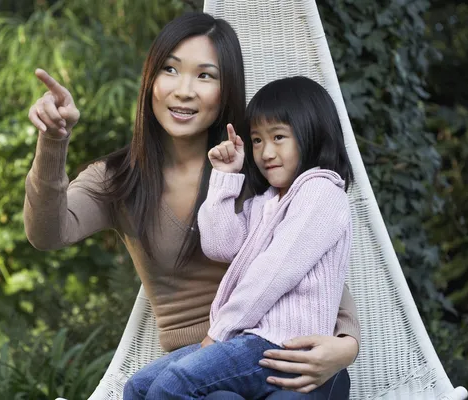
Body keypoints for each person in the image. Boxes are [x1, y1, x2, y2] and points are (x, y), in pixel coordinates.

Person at [24, 12, 360, 399]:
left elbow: (306, 262)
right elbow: (46, 233)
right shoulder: (119, 178)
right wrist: (53, 142)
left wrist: (346, 343)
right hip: (201, 365)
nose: (184, 90)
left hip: (289, 357)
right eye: (170, 69)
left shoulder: (260, 167)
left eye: (205, 75)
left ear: (226, 90)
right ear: (151, 80)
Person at [123, 76, 354, 400]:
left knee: (172, 386)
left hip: (281, 343)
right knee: (138, 386)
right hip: (247, 339)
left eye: (278, 137)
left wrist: (218, 335)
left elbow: (273, 272)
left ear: (312, 134)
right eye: (257, 140)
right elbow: (219, 245)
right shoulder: (267, 203)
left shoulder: (321, 190)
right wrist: (224, 177)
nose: (265, 151)